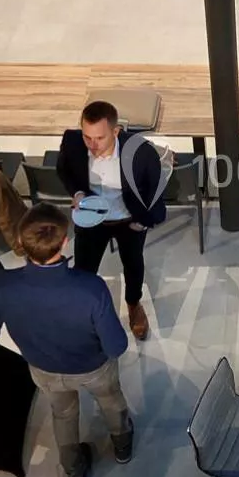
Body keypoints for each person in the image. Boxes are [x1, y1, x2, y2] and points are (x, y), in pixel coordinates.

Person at [0, 204, 132, 477]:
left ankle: (74, 474)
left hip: (44, 368)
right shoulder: (91, 288)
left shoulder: (1, 286)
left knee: (63, 415)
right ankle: (122, 446)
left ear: (20, 242)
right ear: (64, 242)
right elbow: (116, 346)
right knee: (111, 402)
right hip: (93, 367)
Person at [57, 101, 165, 340]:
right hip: (92, 219)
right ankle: (86, 310)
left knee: (133, 264)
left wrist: (144, 222)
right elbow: (63, 169)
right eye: (87, 137)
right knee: (84, 269)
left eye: (99, 138)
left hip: (129, 220)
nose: (92, 145)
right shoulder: (73, 142)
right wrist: (77, 193)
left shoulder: (141, 152)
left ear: (116, 131)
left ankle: (133, 304)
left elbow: (155, 189)